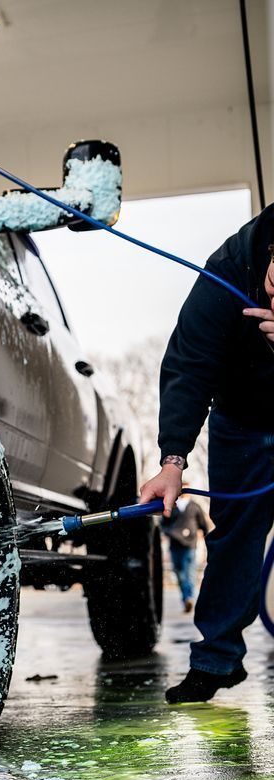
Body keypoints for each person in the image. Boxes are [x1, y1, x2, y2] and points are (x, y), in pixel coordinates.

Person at [140, 205, 274, 704]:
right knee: (233, 540)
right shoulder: (228, 268)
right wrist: (173, 459)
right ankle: (216, 661)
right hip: (241, 421)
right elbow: (190, 363)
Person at [162, 486, 210, 613]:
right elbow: (163, 524)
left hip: (190, 545)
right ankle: (186, 599)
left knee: (189, 572)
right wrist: (170, 533)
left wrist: (207, 543)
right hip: (174, 545)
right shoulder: (171, 506)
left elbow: (203, 525)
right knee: (179, 574)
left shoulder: (195, 507)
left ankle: (189, 598)